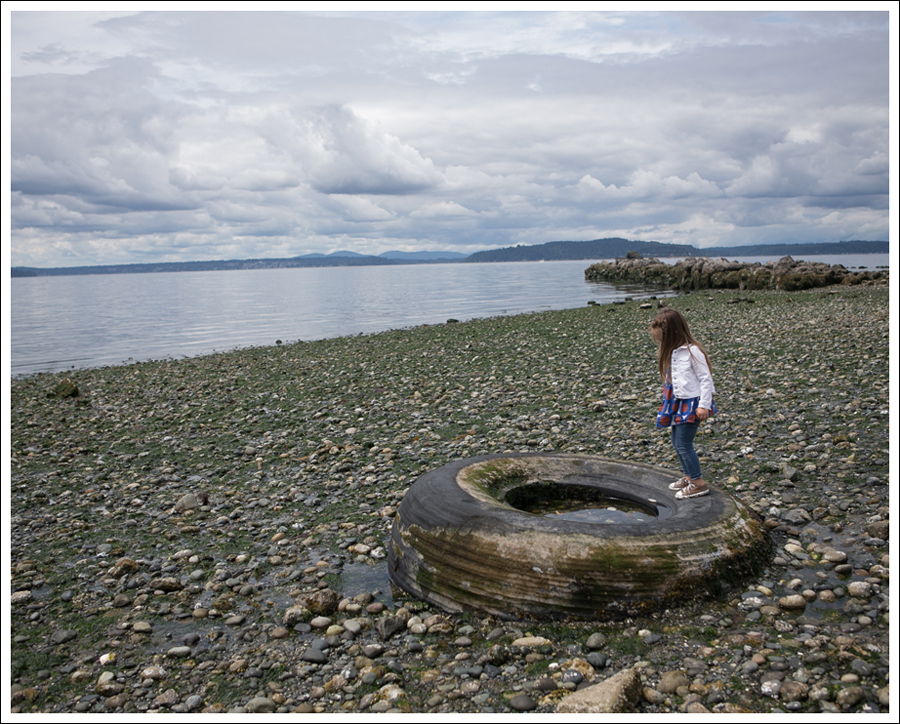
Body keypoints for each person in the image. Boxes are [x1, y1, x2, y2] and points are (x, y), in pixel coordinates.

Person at [650, 307, 717, 500]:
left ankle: (698, 483)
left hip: (692, 404)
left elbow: (706, 379)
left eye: (663, 339)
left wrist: (704, 405)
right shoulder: (674, 351)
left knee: (684, 443)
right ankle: (688, 476)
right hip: (678, 403)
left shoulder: (693, 351)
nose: (661, 343)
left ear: (675, 333)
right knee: (675, 442)